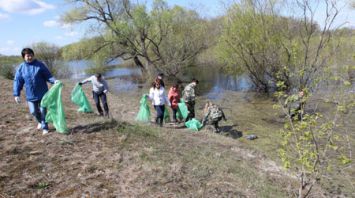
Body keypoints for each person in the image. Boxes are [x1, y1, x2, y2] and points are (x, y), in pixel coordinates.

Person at [13, 48, 59, 135]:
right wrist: (16, 94)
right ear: (24, 57)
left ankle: (45, 127)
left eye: (31, 55)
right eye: (27, 56)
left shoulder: (40, 65)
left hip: (43, 94)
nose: (29, 57)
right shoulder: (21, 68)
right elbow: (17, 81)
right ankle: (40, 122)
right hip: (30, 95)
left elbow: (48, 76)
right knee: (33, 111)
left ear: (33, 55)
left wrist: (54, 81)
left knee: (43, 111)